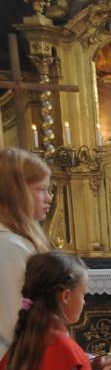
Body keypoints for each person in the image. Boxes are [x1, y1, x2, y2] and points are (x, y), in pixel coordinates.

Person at [0, 148, 53, 357]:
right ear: (16, 192)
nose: (49, 198)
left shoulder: (16, 242)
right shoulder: (10, 248)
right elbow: (13, 323)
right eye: (41, 190)